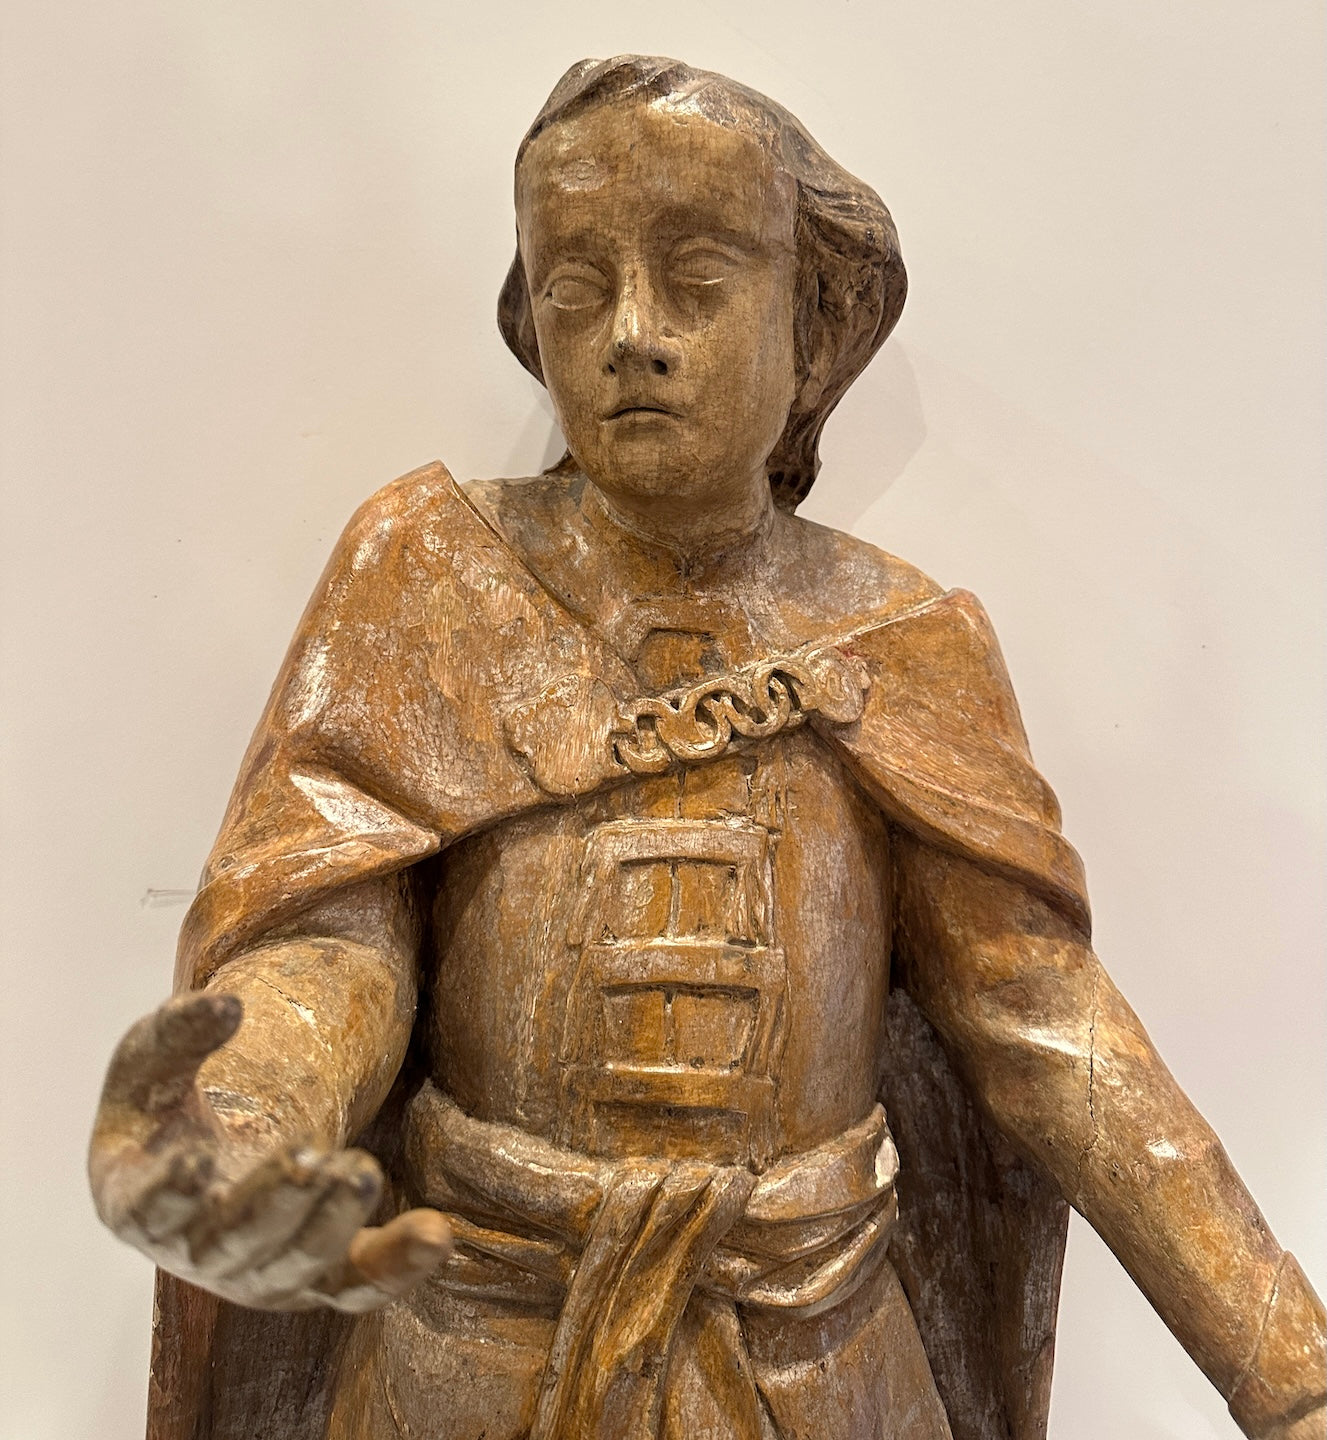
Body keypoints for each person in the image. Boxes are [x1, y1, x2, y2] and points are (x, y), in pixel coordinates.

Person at [89, 56, 1325, 1440]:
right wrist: (240, 1124)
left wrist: (1290, 1375)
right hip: (477, 1359)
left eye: (699, 276)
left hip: (815, 1367)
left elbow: (1044, 1027)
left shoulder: (906, 642)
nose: (632, 333)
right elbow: (334, 946)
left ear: (814, 325)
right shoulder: (428, 576)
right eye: (574, 286)